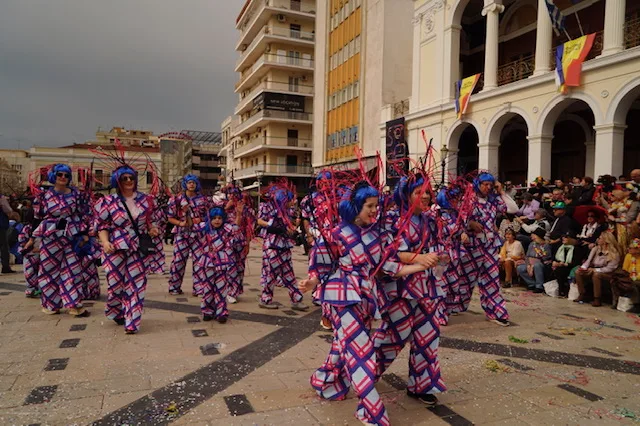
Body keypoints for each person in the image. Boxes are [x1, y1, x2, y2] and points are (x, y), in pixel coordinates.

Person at [299, 181, 430, 426]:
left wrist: (419, 265)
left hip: (370, 299)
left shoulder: (378, 235)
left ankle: (324, 380)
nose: (374, 210)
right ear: (355, 206)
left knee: (343, 347)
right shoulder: (335, 235)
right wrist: (312, 282)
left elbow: (388, 268)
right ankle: (371, 412)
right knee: (361, 353)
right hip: (342, 298)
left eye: (376, 205)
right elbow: (323, 268)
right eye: (369, 206)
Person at [374, 174, 447, 406]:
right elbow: (391, 254)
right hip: (402, 288)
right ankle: (363, 374)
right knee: (392, 338)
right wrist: (420, 257)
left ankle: (421, 385)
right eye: (419, 192)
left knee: (427, 339)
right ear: (406, 194)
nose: (425, 196)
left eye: (427, 191)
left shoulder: (431, 220)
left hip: (429, 288)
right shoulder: (392, 220)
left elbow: (440, 247)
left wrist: (441, 256)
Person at [96, 165, 160, 334]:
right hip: (115, 245)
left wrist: (152, 228)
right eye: (125, 178)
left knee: (137, 283)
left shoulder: (145, 200)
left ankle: (132, 322)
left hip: (138, 246)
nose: (129, 181)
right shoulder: (108, 201)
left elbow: (150, 220)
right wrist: (105, 242)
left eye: (131, 177)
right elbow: (101, 225)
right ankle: (115, 309)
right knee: (115, 284)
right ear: (117, 181)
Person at [458, 172, 518, 326]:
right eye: (485, 184)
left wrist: (501, 191)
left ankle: (496, 312)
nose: (488, 187)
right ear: (478, 184)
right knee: (465, 279)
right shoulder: (468, 200)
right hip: (472, 246)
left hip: (490, 246)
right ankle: (450, 307)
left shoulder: (493, 201)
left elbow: (513, 208)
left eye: (490, 185)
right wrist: (470, 224)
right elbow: (458, 219)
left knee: (491, 279)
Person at [33, 164, 89, 317]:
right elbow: (37, 216)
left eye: (66, 175)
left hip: (72, 234)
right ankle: (51, 303)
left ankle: (73, 303)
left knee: (73, 269)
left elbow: (83, 214)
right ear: (54, 176)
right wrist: (34, 238)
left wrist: (84, 233)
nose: (63, 178)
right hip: (51, 234)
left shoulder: (77, 195)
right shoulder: (43, 195)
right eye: (60, 175)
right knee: (48, 269)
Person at [257, 186, 308, 311]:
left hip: (284, 248)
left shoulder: (287, 213)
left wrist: (291, 231)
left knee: (289, 276)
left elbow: (290, 229)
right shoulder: (275, 214)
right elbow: (268, 225)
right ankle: (265, 299)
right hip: (273, 248)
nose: (293, 202)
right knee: (271, 276)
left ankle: (296, 299)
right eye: (290, 200)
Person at [196, 206, 244, 322]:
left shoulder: (226, 229)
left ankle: (221, 312)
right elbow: (191, 227)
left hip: (222, 261)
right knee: (207, 288)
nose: (217, 220)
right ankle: (207, 311)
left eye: (219, 218)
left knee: (221, 288)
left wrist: (238, 215)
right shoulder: (204, 228)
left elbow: (236, 229)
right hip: (207, 262)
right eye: (214, 218)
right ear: (209, 218)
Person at [167, 175, 210, 296]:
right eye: (189, 182)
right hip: (182, 233)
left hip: (198, 234)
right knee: (178, 261)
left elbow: (209, 216)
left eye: (194, 183)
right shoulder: (176, 199)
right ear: (185, 184)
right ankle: (174, 287)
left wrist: (200, 219)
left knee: (199, 262)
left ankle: (199, 288)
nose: (192, 185)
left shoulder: (203, 200)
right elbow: (170, 218)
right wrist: (181, 223)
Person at [574, 232, 622, 307]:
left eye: (600, 238)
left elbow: (610, 268)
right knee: (578, 272)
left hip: (609, 273)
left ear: (606, 241)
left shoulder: (614, 253)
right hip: (594, 269)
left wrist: (595, 270)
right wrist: (583, 268)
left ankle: (597, 298)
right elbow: (588, 261)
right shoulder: (595, 249)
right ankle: (582, 294)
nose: (597, 240)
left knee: (596, 275)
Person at [516, 228, 552, 293]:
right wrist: (528, 265)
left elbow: (546, 258)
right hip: (530, 262)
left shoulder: (546, 245)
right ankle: (532, 283)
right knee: (520, 268)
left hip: (541, 263)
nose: (533, 238)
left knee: (537, 265)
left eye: (534, 236)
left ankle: (539, 286)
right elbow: (527, 256)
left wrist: (533, 264)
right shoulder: (532, 244)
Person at [552, 231, 584, 297]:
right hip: (562, 265)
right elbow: (556, 258)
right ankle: (559, 290)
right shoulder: (561, 247)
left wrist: (564, 264)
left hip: (571, 267)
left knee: (560, 270)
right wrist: (555, 262)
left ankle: (563, 290)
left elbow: (576, 262)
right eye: (563, 237)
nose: (563, 238)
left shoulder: (576, 249)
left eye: (566, 237)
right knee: (553, 268)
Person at [0, 193, 16, 274]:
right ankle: (5, 266)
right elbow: (7, 209)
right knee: (4, 246)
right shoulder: (1, 197)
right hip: (1, 224)